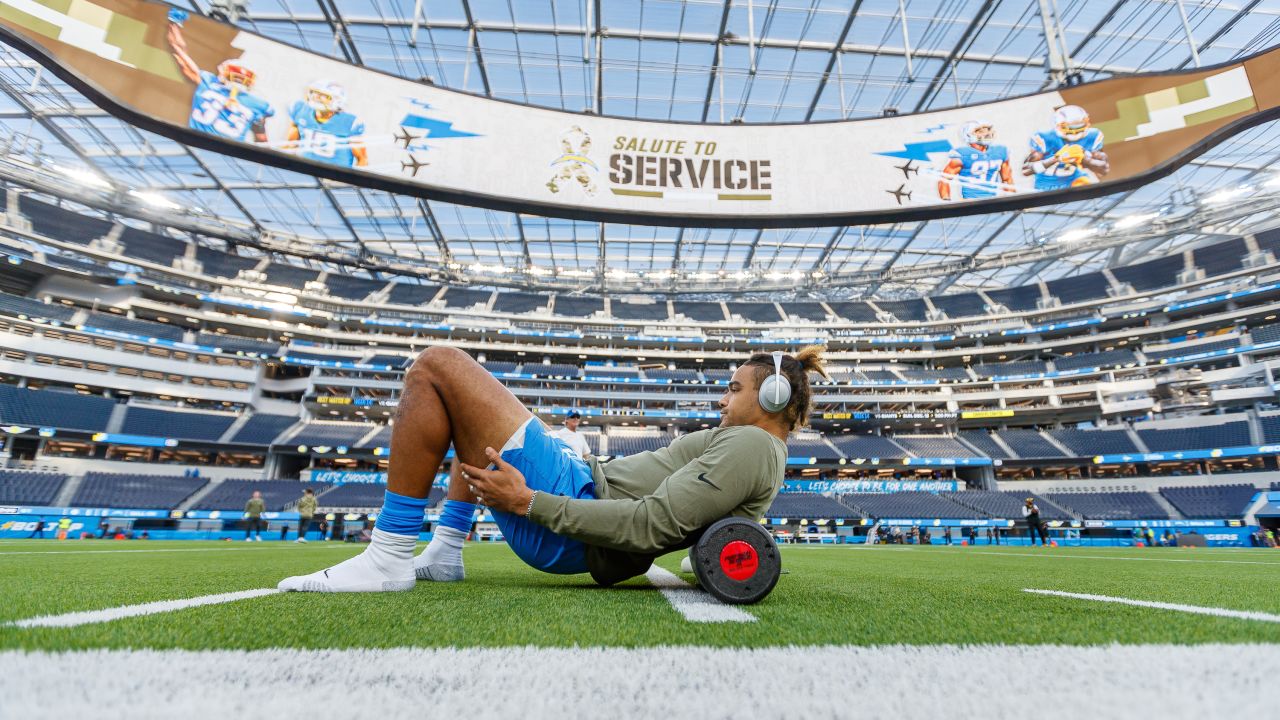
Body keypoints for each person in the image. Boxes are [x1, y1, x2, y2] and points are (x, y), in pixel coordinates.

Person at [278, 346, 825, 592]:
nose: (722, 398)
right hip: (582, 482)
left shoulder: (752, 445)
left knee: (436, 368)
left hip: (572, 514)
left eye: (734, 388)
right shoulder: (749, 444)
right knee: (462, 411)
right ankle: (444, 553)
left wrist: (528, 503)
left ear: (773, 398)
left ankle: (389, 557)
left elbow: (651, 525)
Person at [167, 10, 274, 143]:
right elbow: (262, 140)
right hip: (227, 153)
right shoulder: (258, 104)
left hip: (194, 141)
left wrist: (174, 23)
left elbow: (178, 50)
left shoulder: (208, 83)